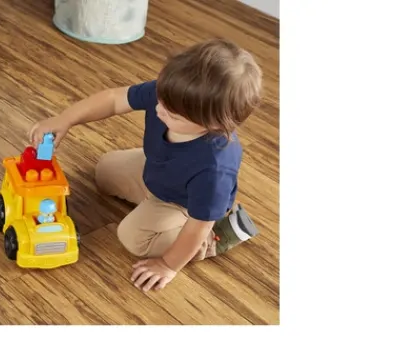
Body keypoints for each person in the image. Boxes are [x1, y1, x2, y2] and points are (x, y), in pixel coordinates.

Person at [29, 38, 262, 292]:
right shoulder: (173, 95)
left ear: (213, 124)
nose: (159, 109)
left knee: (133, 237)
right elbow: (114, 99)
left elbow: (199, 224)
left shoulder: (215, 168)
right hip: (157, 170)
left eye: (172, 115)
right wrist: (65, 119)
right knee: (104, 171)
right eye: (160, 99)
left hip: (185, 205)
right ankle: (151, 206)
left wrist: (168, 265)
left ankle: (215, 239)